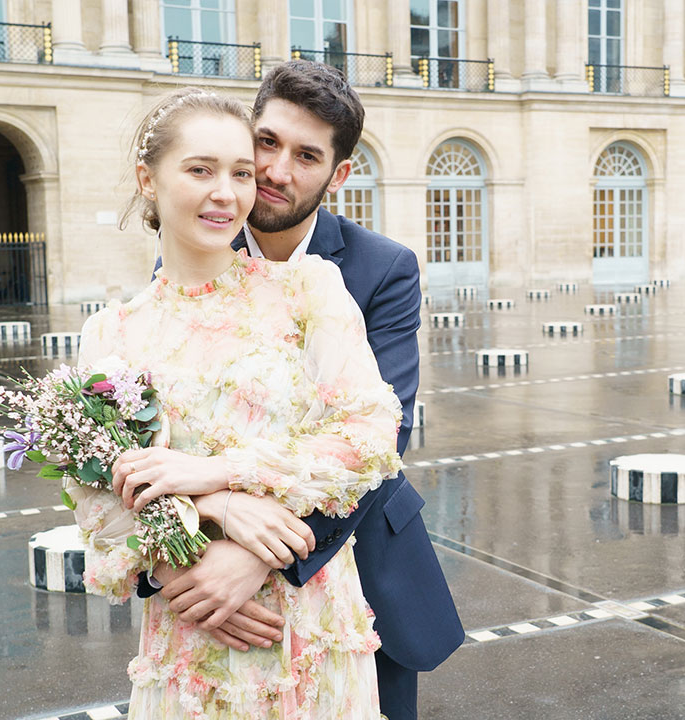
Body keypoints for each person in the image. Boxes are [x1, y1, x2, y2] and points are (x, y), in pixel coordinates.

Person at [141, 61, 464, 719]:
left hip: (355, 561)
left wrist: (258, 559)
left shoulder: (382, 269)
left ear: (337, 174)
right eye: (267, 142)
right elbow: (159, 439)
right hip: (209, 584)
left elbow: (381, 437)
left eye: (307, 155)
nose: (275, 171)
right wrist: (186, 551)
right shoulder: (190, 252)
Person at [78, 87, 403, 718]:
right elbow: (97, 496)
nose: (226, 193)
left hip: (307, 625)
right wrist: (196, 545)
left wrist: (221, 473)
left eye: (242, 173)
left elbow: (369, 432)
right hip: (190, 624)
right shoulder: (112, 333)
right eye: (200, 170)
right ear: (148, 178)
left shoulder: (309, 290)